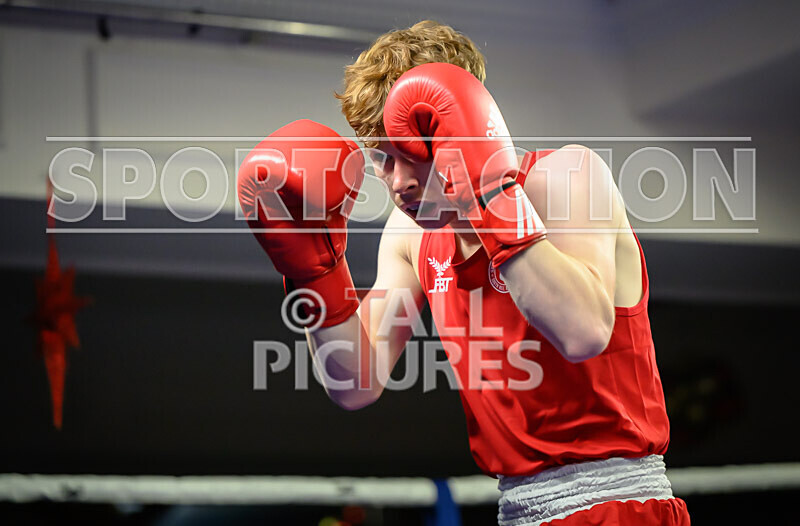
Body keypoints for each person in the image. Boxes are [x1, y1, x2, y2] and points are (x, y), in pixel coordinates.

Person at [238, 20, 690, 526]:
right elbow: (354, 383)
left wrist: (485, 193)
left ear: (463, 128)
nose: (398, 182)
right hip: (516, 510)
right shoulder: (411, 238)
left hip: (621, 506)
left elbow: (582, 331)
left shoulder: (564, 179)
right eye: (381, 161)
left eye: (410, 154)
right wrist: (313, 272)